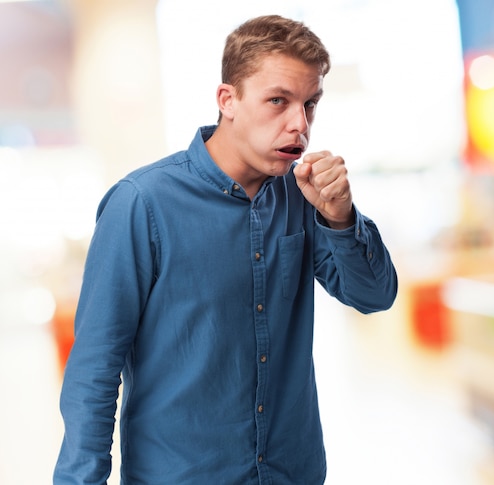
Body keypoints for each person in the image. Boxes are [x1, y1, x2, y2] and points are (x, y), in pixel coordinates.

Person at [54, 14, 397, 485]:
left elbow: (374, 296)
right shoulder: (142, 204)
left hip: (292, 473)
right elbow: (94, 369)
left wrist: (340, 217)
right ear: (227, 100)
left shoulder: (304, 196)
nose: (299, 124)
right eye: (278, 101)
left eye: (310, 104)